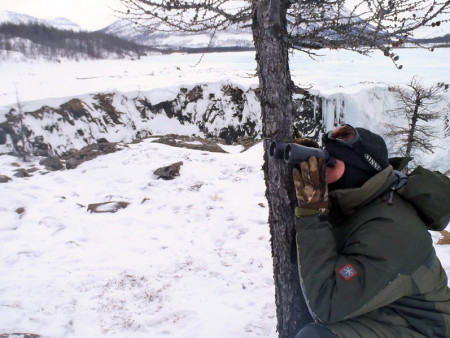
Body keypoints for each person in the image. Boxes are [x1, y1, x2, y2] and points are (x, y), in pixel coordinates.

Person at [292, 124, 450, 338]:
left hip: (420, 329)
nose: (321, 170)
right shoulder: (363, 201)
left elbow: (326, 304)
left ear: (358, 170)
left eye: (329, 163)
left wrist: (312, 211)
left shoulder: (390, 230)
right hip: (381, 312)